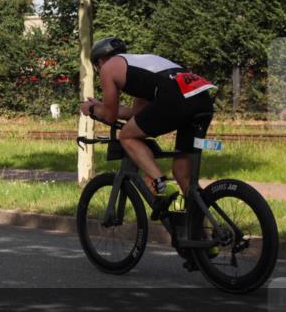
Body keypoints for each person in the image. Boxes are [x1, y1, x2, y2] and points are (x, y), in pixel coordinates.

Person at [79, 37, 216, 215]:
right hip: (200, 98)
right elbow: (137, 114)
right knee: (183, 174)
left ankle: (160, 184)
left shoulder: (108, 68)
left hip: (175, 97)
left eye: (97, 66)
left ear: (100, 60)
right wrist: (101, 106)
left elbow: (110, 116)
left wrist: (91, 108)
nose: (99, 70)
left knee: (127, 136)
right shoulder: (141, 64)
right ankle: (201, 232)